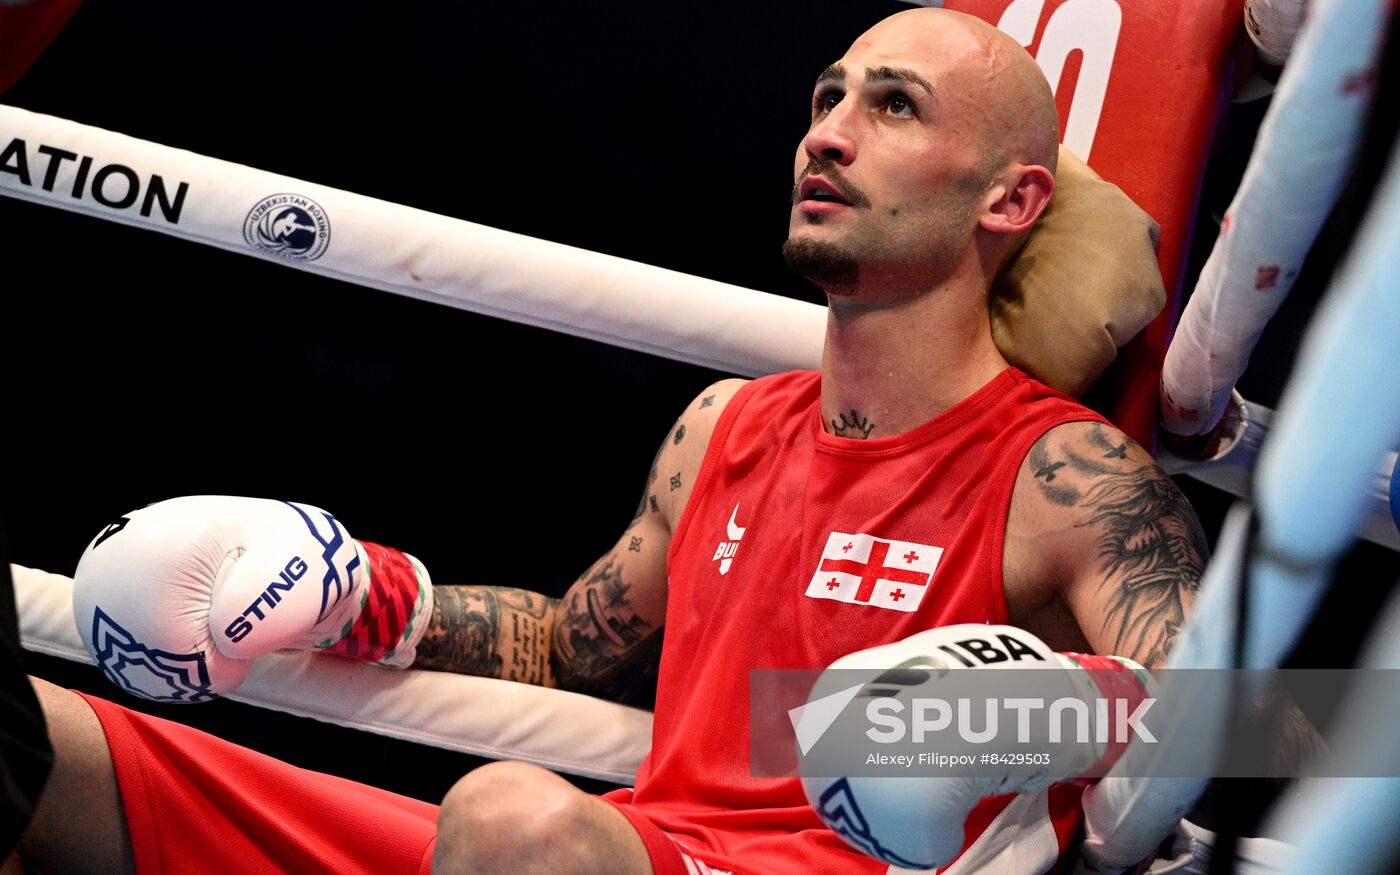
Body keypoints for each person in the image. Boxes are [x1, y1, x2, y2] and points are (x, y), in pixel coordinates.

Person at [14, 8, 1208, 874]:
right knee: (34, 737)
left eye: (891, 104)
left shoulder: (1067, 474)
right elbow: (572, 644)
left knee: (515, 817)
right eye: (826, 98)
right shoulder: (723, 427)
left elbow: (1260, 712)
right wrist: (363, 596)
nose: (827, 135)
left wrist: (1030, 709)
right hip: (629, 853)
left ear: (1009, 199)